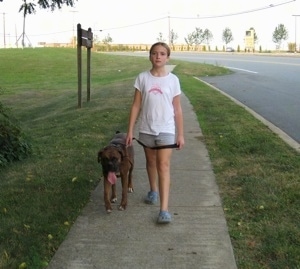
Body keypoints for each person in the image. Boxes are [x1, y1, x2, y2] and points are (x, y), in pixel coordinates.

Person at [126, 42, 184, 224]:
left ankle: (164, 209)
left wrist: (180, 134)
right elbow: (136, 105)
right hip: (146, 129)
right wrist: (130, 130)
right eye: (154, 53)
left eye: (162, 53)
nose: (158, 56)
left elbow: (178, 109)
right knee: (150, 162)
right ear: (149, 56)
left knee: (163, 165)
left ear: (167, 57)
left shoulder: (173, 80)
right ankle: (153, 191)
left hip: (166, 129)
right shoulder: (142, 78)